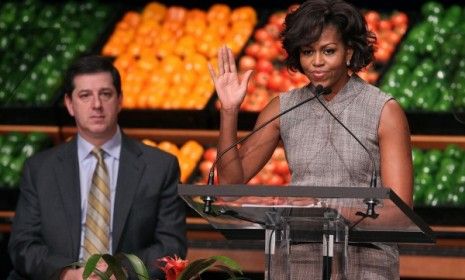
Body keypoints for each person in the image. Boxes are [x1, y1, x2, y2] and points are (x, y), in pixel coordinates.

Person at [208, 0, 413, 279]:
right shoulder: (283, 106)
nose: (316, 62)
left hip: (365, 262)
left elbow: (400, 212)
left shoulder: (382, 110)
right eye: (308, 52)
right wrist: (229, 111)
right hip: (297, 260)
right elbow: (230, 184)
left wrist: (326, 210)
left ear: (349, 51)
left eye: (328, 51)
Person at [8, 55, 187, 280]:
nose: (97, 105)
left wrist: (120, 273)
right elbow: (22, 246)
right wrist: (66, 274)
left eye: (105, 94)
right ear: (70, 105)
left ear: (120, 100)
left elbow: (172, 248)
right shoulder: (40, 169)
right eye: (85, 96)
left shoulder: (160, 167)